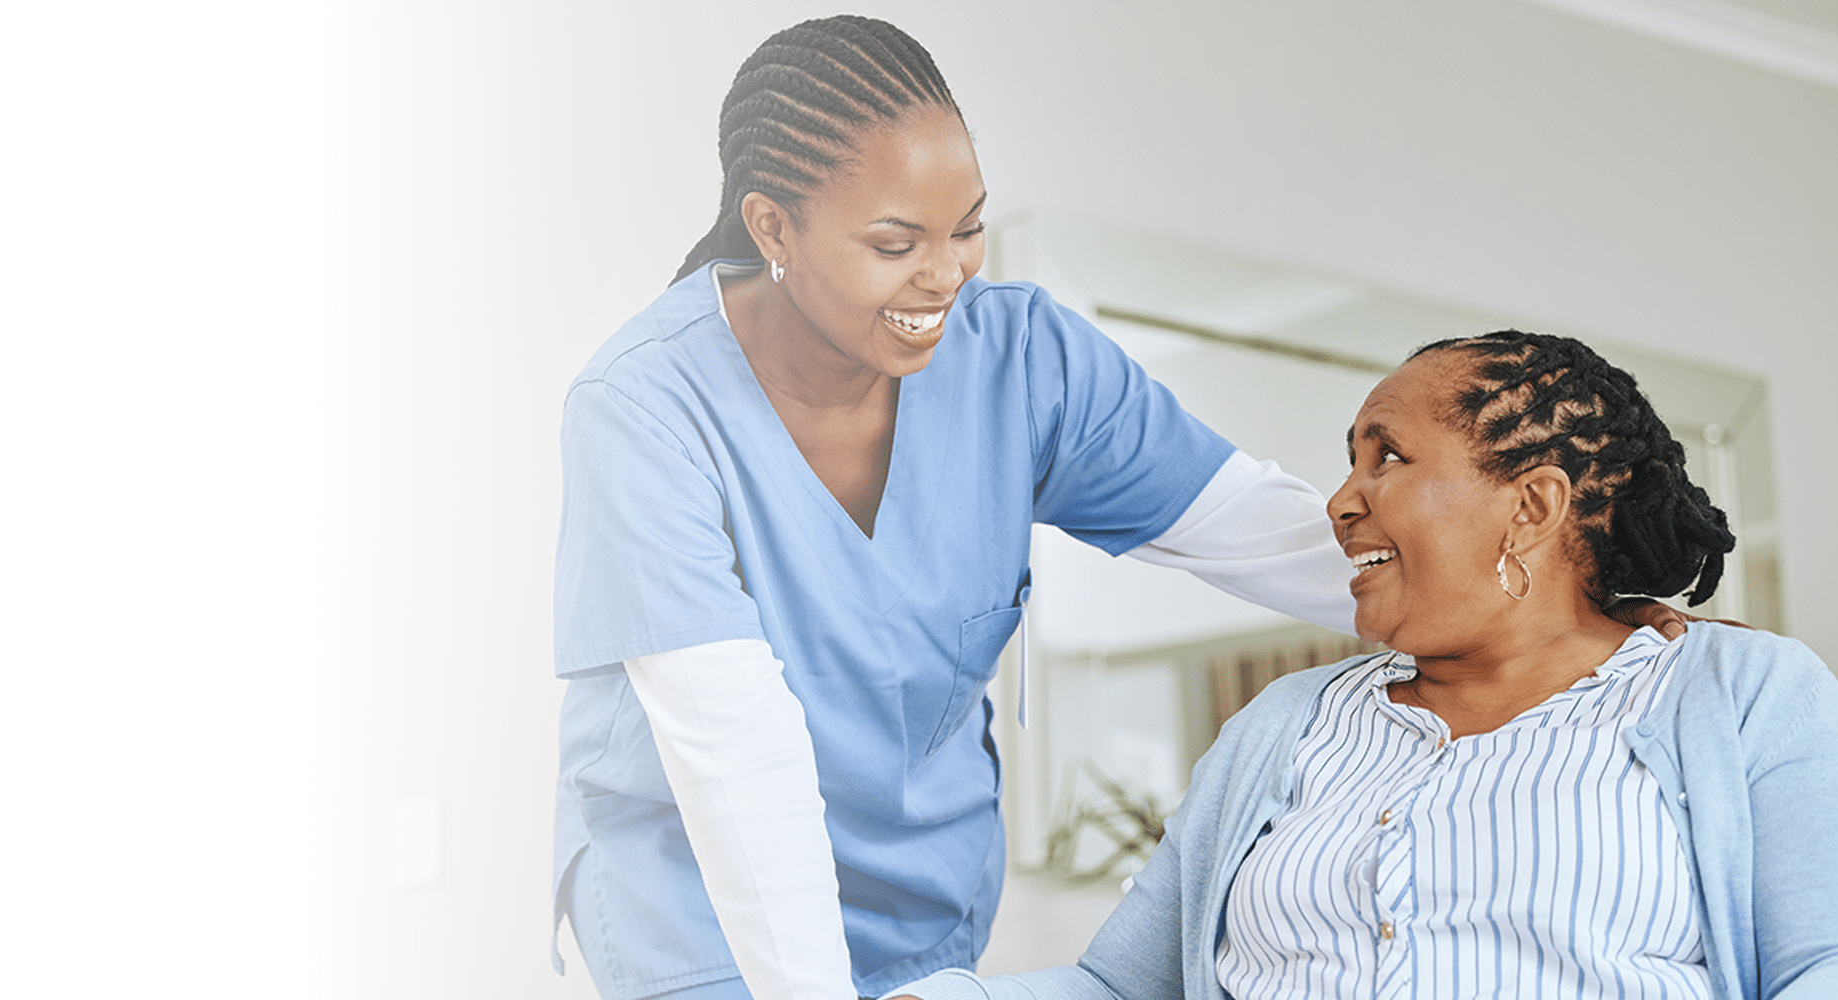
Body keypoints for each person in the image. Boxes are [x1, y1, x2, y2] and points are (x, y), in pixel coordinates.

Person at [553, 16, 1688, 1000]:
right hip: (699, 904)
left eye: (967, 229)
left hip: (927, 916)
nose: (946, 277)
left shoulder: (1017, 357)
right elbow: (730, 746)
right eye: (896, 243)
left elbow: (1266, 529)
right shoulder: (644, 406)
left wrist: (1574, 608)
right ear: (772, 228)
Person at [886, 331, 1838, 1000]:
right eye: (1350, 460)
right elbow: (1122, 989)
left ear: (1531, 506)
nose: (1342, 499)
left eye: (1388, 455)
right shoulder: (1283, 724)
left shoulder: (1743, 697)